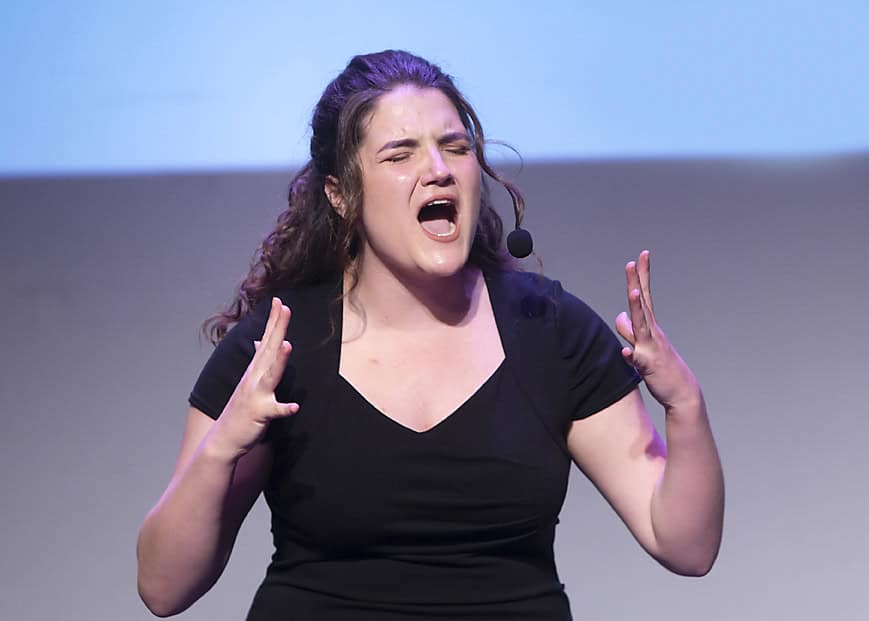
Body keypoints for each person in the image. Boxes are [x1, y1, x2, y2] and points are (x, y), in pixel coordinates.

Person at [136, 50, 724, 620]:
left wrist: (685, 404)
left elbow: (686, 546)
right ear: (341, 196)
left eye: (455, 147)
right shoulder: (279, 347)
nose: (438, 169)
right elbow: (163, 588)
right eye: (400, 155)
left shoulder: (549, 331)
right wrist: (221, 450)